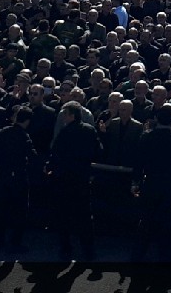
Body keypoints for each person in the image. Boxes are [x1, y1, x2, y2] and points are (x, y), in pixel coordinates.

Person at [131, 102, 171, 261]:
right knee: (167, 222)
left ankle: (139, 254)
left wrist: (135, 182)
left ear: (157, 118)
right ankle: (165, 256)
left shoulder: (147, 136)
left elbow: (138, 161)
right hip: (170, 183)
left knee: (146, 220)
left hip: (151, 182)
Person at [48, 101, 101, 261]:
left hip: (64, 178)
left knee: (63, 214)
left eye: (65, 114)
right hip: (82, 177)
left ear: (71, 115)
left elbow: (56, 153)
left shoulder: (65, 132)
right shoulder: (89, 130)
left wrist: (52, 168)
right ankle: (88, 249)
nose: (63, 117)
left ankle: (65, 247)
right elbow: (98, 150)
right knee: (84, 216)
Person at [0, 105, 36, 252]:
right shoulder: (24, 136)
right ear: (27, 121)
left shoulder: (3, 132)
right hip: (19, 176)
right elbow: (32, 155)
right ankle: (15, 242)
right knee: (20, 211)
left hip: (3, 175)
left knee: (1, 209)